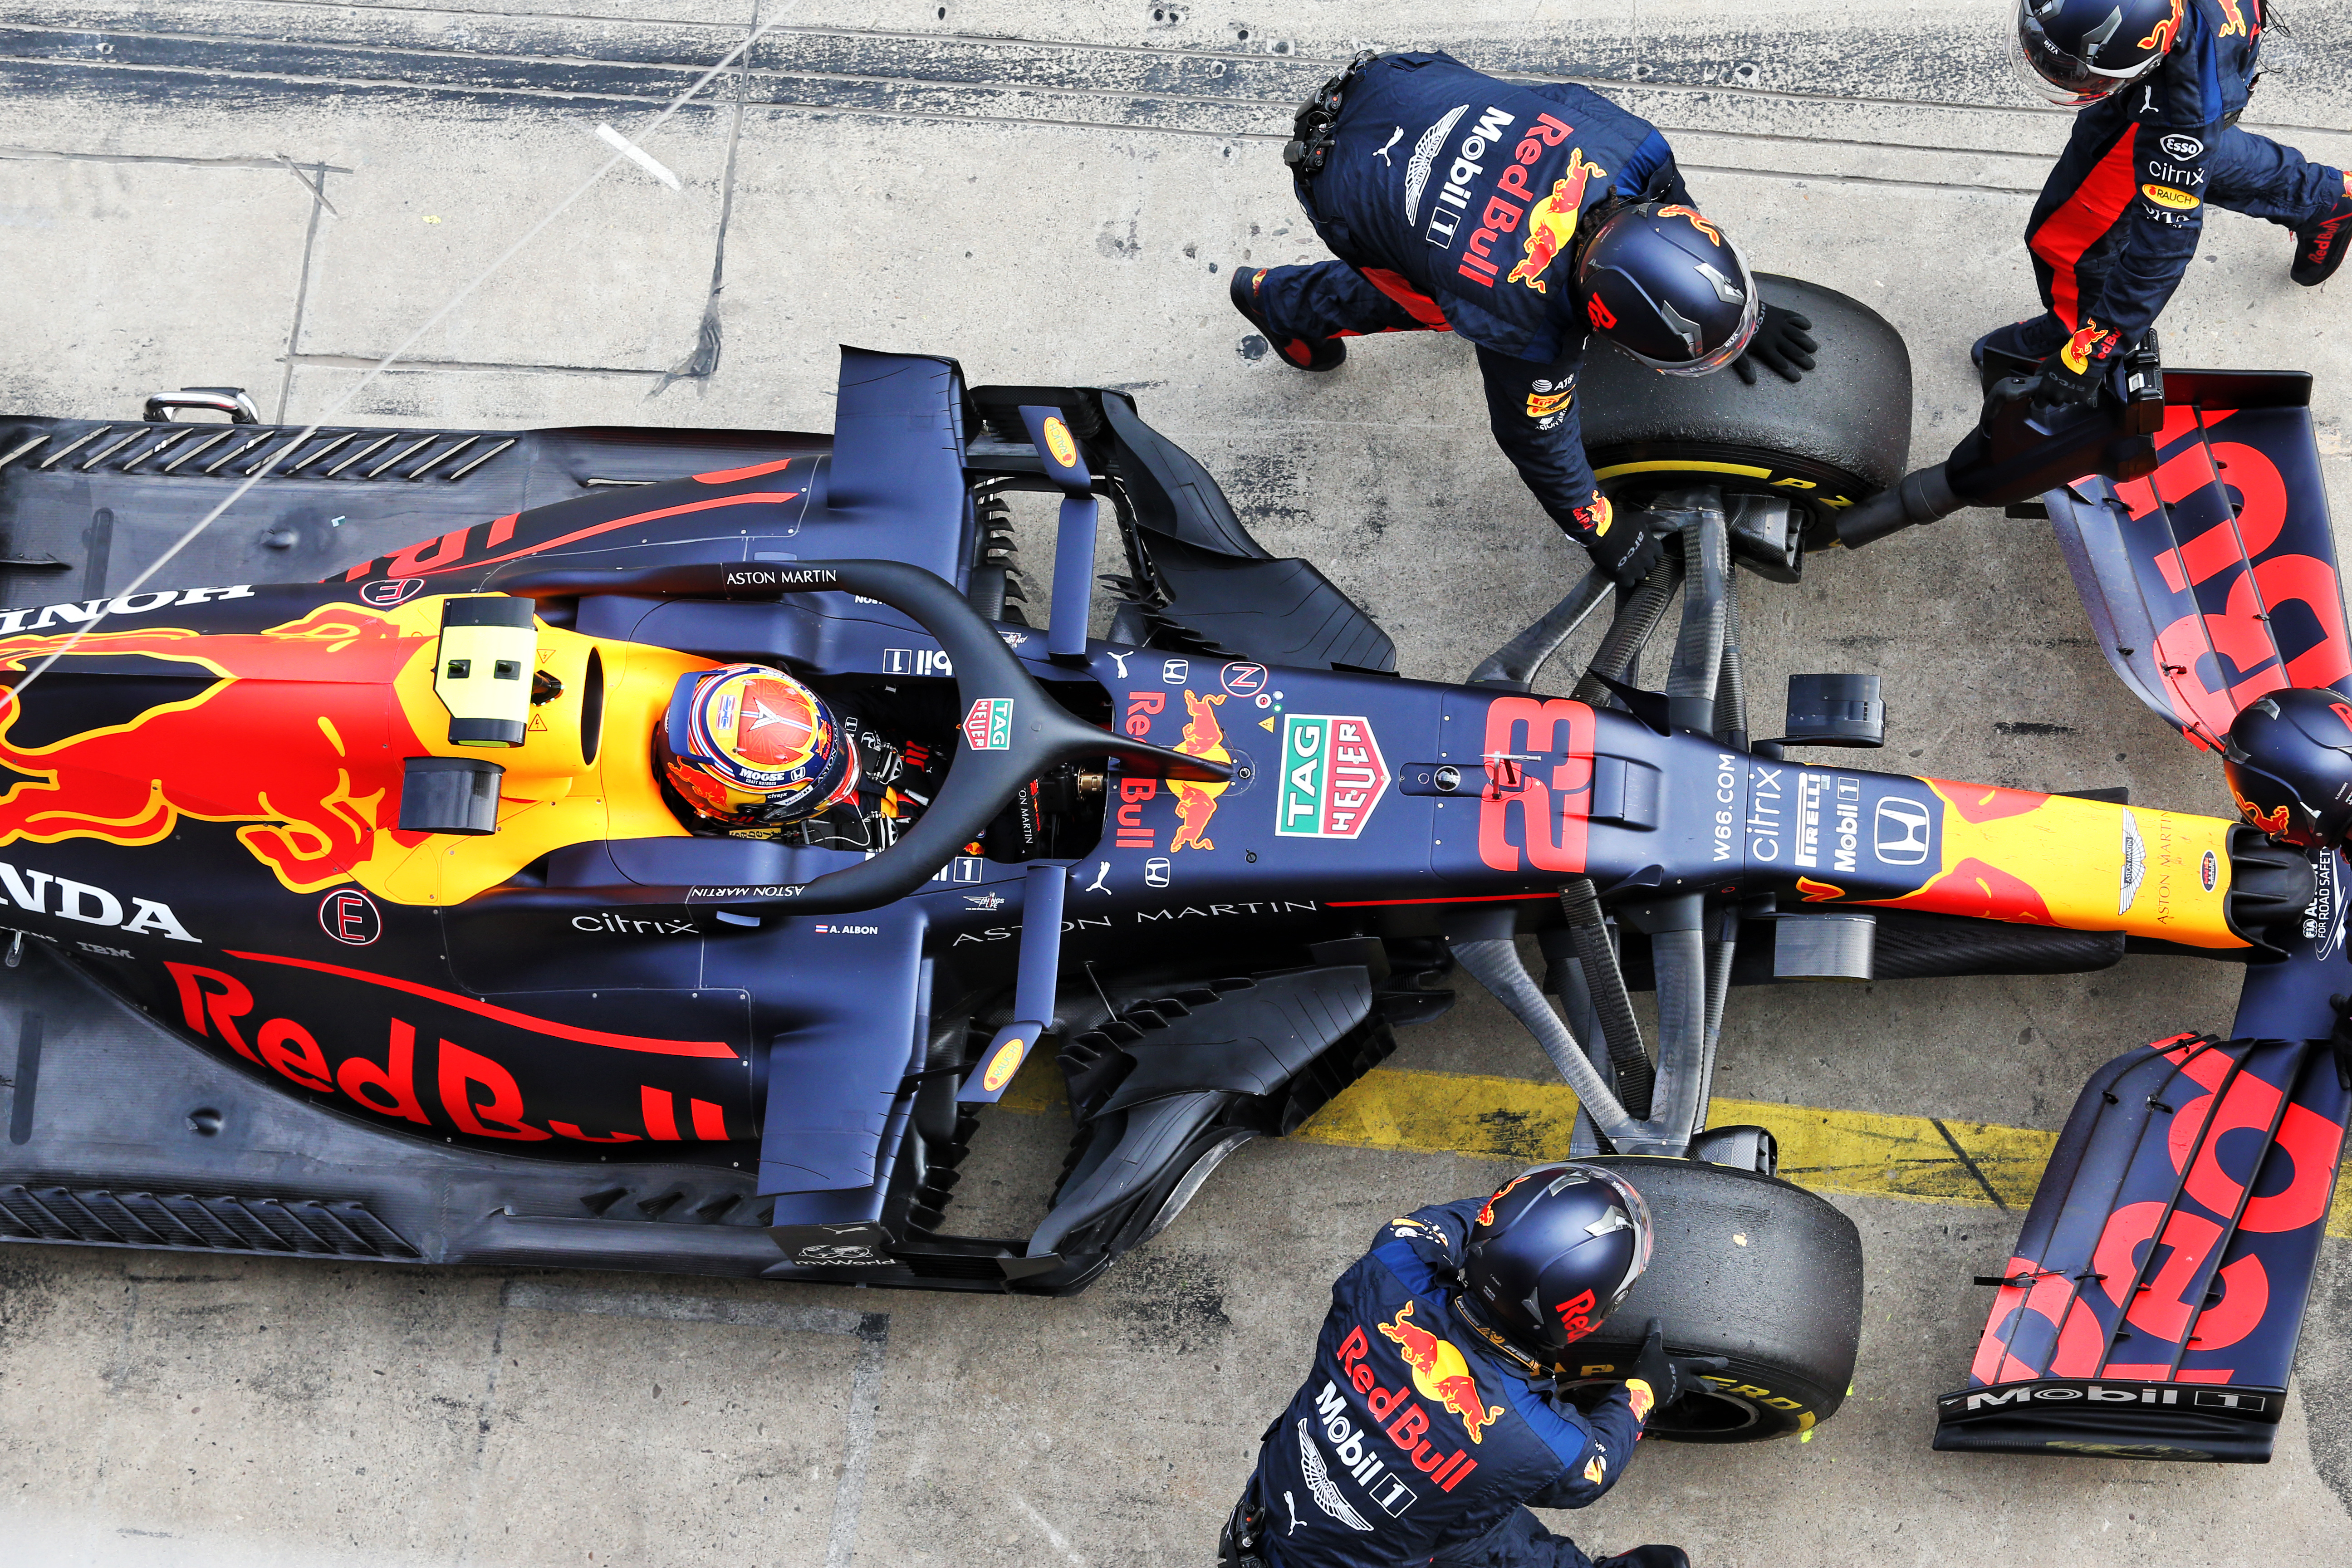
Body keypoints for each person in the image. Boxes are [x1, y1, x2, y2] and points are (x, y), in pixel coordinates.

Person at [1228, 52, 1813, 591]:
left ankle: (1281, 297)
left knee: (1459, 284)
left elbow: (1677, 224)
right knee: (1436, 301)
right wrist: (1596, 524)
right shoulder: (1522, 321)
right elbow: (1533, 439)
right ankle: (1278, 304)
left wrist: (1735, 315)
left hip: (1404, 79)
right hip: (1343, 169)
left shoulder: (1635, 150)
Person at [1219, 1163, 1725, 1568]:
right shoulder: (1542, 1441)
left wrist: (1523, 1219)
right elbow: (1596, 1468)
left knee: (1479, 1502)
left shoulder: (1392, 1262)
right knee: (1496, 1533)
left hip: (1270, 1516)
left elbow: (1457, 1223)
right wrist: (1649, 1388)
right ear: (1583, 1321)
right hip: (1393, 1549)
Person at [1977, 0, 2350, 401]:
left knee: (2070, 234)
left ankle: (2073, 327)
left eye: (2072, 72)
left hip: (2190, 81)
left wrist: (2096, 349)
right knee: (2182, 156)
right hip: (2221, 31)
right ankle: (2322, 198)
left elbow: (2162, 249)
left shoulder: (2180, 111)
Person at [656, 662, 944, 851]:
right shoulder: (756, 855)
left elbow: (938, 708)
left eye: (837, 748)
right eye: (821, 785)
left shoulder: (834, 705)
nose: (844, 771)